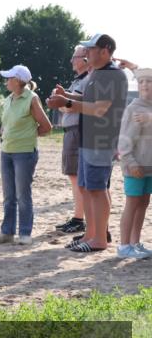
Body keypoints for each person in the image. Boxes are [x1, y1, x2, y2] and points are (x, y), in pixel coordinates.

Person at [48, 33, 129, 253]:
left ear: (105, 51)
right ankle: (91, 234)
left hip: (101, 140)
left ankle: (99, 239)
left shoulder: (111, 74)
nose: (86, 53)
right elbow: (90, 101)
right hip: (89, 139)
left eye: (91, 49)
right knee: (86, 188)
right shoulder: (99, 73)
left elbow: (100, 108)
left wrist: (66, 102)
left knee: (97, 189)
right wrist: (68, 96)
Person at [0, 65, 53, 246]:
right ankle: (7, 232)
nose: (6, 81)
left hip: (24, 153)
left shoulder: (32, 99)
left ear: (17, 81)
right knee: (8, 195)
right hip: (6, 151)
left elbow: (47, 127)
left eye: (9, 78)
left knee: (23, 195)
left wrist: (28, 135)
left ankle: (25, 233)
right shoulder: (8, 99)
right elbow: (7, 125)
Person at [116, 67, 152, 260]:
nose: (145, 85)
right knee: (132, 203)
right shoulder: (134, 108)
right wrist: (130, 162)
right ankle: (124, 246)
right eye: (141, 82)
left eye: (149, 81)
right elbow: (124, 140)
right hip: (135, 166)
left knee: (144, 203)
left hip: (149, 167)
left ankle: (135, 243)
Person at [53, 46, 90, 235]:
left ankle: (79, 219)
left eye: (74, 57)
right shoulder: (78, 80)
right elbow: (66, 106)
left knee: (77, 177)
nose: (71, 61)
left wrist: (65, 103)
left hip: (77, 131)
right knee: (74, 177)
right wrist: (64, 103)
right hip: (71, 131)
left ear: (84, 58)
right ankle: (78, 218)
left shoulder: (87, 80)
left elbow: (76, 105)